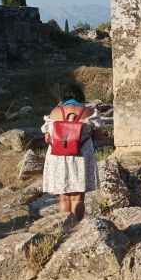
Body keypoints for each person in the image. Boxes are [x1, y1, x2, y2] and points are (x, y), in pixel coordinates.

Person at [41, 84, 101, 221]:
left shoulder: (54, 113)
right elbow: (99, 135)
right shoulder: (89, 112)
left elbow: (47, 138)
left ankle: (65, 227)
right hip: (81, 156)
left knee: (64, 198)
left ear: (64, 97)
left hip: (59, 157)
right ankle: (76, 227)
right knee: (77, 199)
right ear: (81, 97)